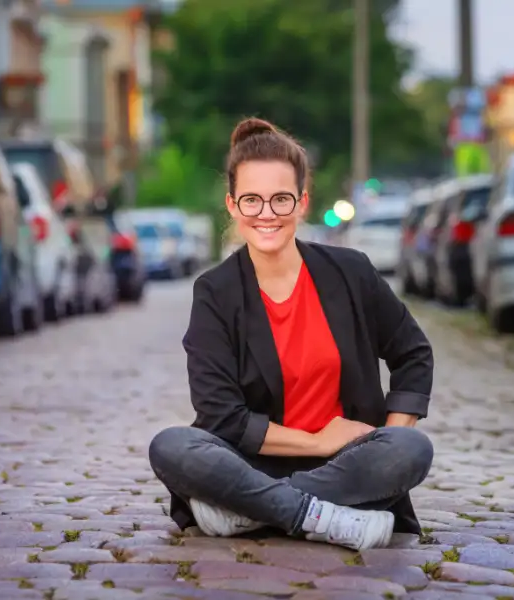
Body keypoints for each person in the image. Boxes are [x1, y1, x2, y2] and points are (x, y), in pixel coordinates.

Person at [148, 117, 435, 551]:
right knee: (171, 445)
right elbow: (221, 414)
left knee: (410, 448)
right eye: (252, 201)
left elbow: (413, 354)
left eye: (281, 199)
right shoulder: (215, 293)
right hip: (248, 466)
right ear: (232, 205)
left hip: (345, 466)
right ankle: (320, 517)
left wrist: (380, 438)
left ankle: (248, 514)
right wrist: (316, 439)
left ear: (302, 203)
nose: (267, 214)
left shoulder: (351, 272)